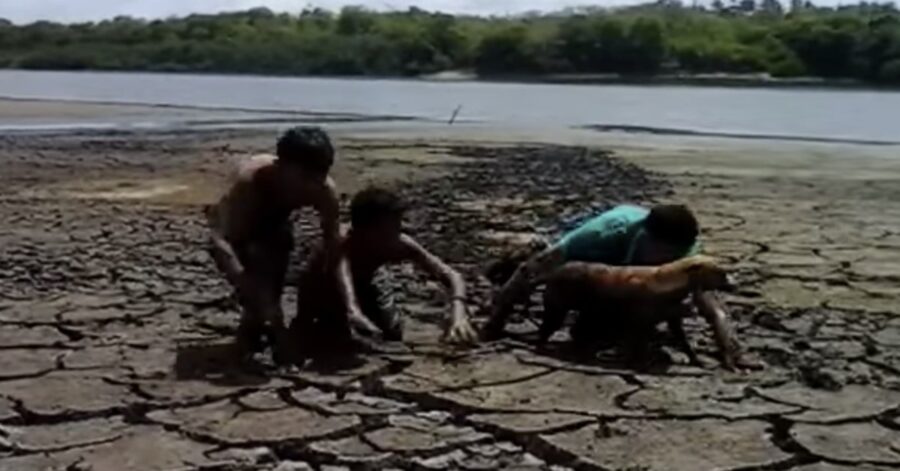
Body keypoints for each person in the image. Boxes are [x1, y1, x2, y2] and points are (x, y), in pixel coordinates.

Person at [482, 203, 755, 371]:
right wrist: (495, 323)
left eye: (676, 256)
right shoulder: (602, 235)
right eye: (664, 252)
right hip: (593, 265)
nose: (668, 260)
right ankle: (514, 252)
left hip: (624, 284)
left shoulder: (687, 252)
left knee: (602, 331)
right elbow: (534, 270)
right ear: (645, 237)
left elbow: (708, 301)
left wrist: (731, 347)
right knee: (539, 260)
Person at [205, 126, 341, 363]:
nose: (311, 186)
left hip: (277, 220)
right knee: (258, 276)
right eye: (303, 178)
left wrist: (334, 294)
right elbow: (220, 242)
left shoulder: (323, 189)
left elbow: (334, 245)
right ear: (281, 167)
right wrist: (249, 287)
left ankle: (273, 327)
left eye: (318, 177)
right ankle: (254, 331)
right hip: (237, 225)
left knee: (278, 257)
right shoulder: (247, 184)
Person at [289, 187, 477, 356]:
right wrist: (353, 311)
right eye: (385, 231)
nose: (394, 237)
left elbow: (452, 276)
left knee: (390, 333)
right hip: (322, 285)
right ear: (360, 230)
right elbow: (343, 275)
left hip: (367, 283)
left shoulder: (398, 242)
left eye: (397, 228)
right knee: (320, 339)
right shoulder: (340, 243)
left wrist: (458, 313)